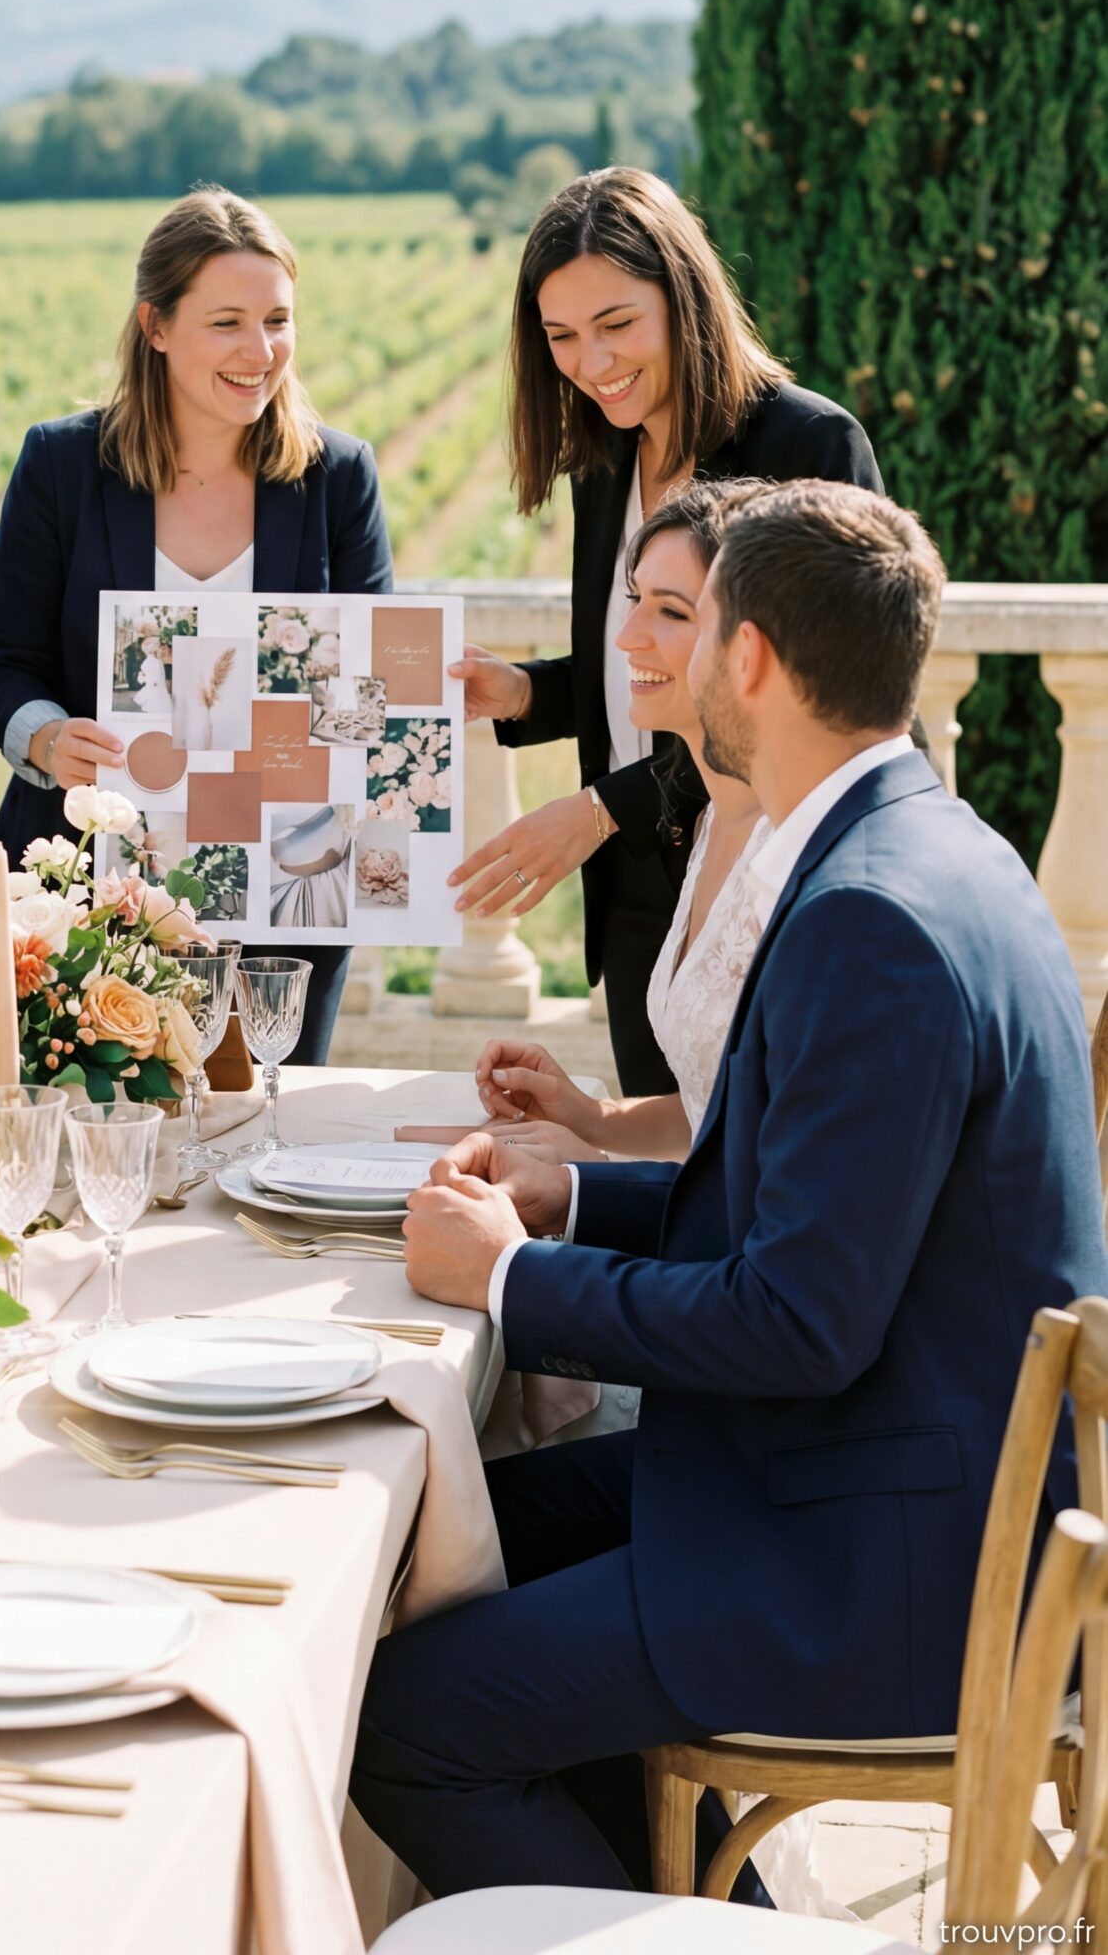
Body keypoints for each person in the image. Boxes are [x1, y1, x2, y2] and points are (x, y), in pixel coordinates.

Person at [350, 481, 1108, 1904]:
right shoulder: (932, 847)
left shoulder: (864, 918)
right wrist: (561, 1201)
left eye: (695, 635)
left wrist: (505, 1282)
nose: (675, 667)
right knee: (427, 1543)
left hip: (883, 1558)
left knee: (400, 1717)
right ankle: (708, 1918)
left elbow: (793, 1324)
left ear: (746, 659)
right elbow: (785, 1213)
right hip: (852, 1470)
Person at [447, 168, 883, 1096]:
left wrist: (603, 805)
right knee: (667, 1181)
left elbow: (809, 697)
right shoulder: (604, 457)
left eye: (615, 325)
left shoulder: (806, 446)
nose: (590, 362)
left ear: (682, 298)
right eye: (560, 337)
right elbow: (657, 663)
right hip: (641, 901)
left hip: (776, 883)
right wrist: (525, 692)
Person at [0, 186, 392, 1063]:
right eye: (227, 323)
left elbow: (369, 686)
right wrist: (45, 740)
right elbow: (6, 665)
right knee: (104, 1138)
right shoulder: (59, 467)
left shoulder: (337, 478)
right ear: (155, 327)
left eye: (278, 320)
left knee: (263, 1135)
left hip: (289, 892)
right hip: (94, 891)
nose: (260, 351)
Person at [479, 474, 773, 1165]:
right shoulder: (706, 831)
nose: (626, 636)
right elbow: (714, 1119)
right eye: (633, 600)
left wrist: (567, 1207)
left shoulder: (791, 858)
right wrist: (592, 1119)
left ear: (752, 644)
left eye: (670, 612)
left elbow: (772, 1177)